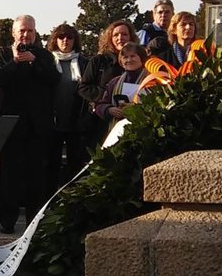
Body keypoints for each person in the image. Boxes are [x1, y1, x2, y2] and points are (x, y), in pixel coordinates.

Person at [0, 15, 57, 233]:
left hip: (37, 126)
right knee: (9, 175)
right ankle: (7, 220)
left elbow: (54, 80)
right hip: (10, 126)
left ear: (35, 33)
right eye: (22, 31)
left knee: (36, 177)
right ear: (14, 33)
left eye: (29, 31)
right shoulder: (2, 54)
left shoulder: (44, 55)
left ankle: (34, 221)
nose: (25, 35)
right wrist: (16, 62)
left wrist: (34, 62)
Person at [45, 23, 91, 190]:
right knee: (51, 166)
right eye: (61, 37)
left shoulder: (84, 62)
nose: (65, 41)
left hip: (75, 122)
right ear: (55, 39)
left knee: (75, 167)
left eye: (69, 37)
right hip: (53, 123)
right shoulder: (48, 61)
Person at [78, 19, 136, 147]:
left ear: (131, 36)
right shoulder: (99, 61)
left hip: (132, 120)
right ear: (110, 38)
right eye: (116, 35)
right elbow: (84, 88)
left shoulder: (139, 61)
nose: (120, 38)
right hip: (102, 122)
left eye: (124, 34)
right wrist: (108, 102)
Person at [93, 42, 149, 132]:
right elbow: (100, 105)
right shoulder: (114, 82)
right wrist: (109, 110)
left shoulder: (152, 80)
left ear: (141, 58)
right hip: (118, 131)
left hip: (144, 130)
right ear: (121, 61)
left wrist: (136, 108)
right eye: (125, 57)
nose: (129, 60)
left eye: (133, 56)